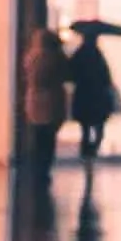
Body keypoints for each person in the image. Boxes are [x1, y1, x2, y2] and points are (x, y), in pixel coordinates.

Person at [22, 27, 71, 195]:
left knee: (37, 136)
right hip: (51, 101)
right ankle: (44, 168)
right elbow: (66, 74)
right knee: (48, 139)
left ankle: (36, 168)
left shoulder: (31, 57)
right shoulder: (54, 58)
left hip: (34, 101)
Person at [66, 29, 121, 173]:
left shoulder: (79, 54)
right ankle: (91, 152)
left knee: (85, 128)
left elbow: (71, 73)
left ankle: (86, 154)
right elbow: (106, 77)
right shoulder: (98, 55)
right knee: (99, 128)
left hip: (84, 96)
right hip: (98, 96)